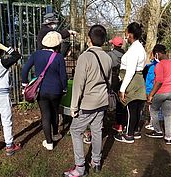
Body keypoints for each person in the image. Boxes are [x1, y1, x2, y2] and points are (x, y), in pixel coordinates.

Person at [63, 25, 112, 176]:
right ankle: (96, 162)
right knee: (97, 131)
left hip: (88, 104)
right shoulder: (108, 57)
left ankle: (80, 168)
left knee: (75, 130)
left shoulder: (85, 57)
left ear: (89, 39)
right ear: (104, 40)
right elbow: (109, 82)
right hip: (102, 101)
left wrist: (73, 106)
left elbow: (78, 84)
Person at [22, 31, 67, 150]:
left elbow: (25, 69)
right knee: (55, 112)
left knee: (45, 115)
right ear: (58, 45)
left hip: (41, 90)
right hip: (56, 90)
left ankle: (49, 142)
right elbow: (63, 76)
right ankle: (56, 134)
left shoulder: (36, 54)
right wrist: (64, 88)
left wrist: (25, 84)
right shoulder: (59, 57)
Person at [114, 22, 147, 144]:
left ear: (130, 34)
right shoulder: (140, 48)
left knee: (130, 107)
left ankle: (128, 134)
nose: (125, 36)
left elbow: (130, 71)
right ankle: (135, 131)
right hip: (139, 80)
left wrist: (122, 89)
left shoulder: (134, 49)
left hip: (132, 80)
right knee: (137, 108)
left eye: (126, 33)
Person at [146, 44, 171, 145]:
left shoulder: (159, 65)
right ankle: (168, 137)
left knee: (153, 110)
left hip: (161, 92)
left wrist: (151, 94)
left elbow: (159, 81)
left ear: (157, 54)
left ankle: (158, 131)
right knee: (168, 114)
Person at [107, 36, 126, 132]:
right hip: (123, 78)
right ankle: (121, 123)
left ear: (113, 44)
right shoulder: (125, 54)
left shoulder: (110, 54)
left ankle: (113, 120)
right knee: (121, 101)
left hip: (113, 79)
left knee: (112, 98)